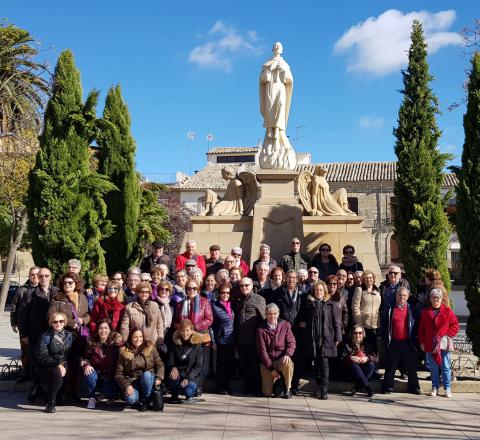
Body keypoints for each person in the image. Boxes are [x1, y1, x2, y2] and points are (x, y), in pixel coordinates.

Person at [295, 281, 342, 399]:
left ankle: (324, 389)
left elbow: (337, 322)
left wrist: (338, 337)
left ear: (324, 291)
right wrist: (303, 326)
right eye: (317, 290)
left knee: (324, 364)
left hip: (326, 338)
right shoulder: (309, 304)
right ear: (314, 292)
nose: (319, 292)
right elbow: (303, 319)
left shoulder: (331, 304)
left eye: (321, 290)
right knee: (316, 364)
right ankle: (317, 387)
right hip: (313, 339)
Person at [18, 267, 58, 402]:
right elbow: (22, 315)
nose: (43, 278)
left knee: (52, 363)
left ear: (50, 277)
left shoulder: (57, 292)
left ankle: (50, 390)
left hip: (53, 335)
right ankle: (36, 388)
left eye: (46, 276)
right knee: (36, 363)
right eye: (41, 276)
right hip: (36, 335)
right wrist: (24, 334)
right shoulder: (30, 293)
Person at [173, 279, 213, 395]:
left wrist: (194, 327)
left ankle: (199, 386)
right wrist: (182, 327)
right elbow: (175, 321)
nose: (191, 290)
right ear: (185, 290)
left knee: (200, 363)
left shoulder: (204, 302)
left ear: (198, 289)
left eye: (194, 288)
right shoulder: (180, 304)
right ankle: (186, 384)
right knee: (189, 363)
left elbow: (209, 319)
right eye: (189, 288)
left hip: (198, 336)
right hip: (184, 338)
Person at [419, 288, 459, 398]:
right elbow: (421, 329)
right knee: (433, 367)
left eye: (438, 297)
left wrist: (447, 335)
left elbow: (455, 325)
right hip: (430, 344)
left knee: (446, 367)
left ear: (441, 299)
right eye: (433, 297)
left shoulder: (447, 311)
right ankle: (434, 387)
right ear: (430, 299)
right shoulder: (425, 313)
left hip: (444, 344)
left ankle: (447, 388)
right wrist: (422, 342)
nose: (435, 299)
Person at [381, 287, 420, 394]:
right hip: (394, 342)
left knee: (411, 367)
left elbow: (418, 325)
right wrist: (385, 338)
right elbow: (384, 325)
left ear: (407, 297)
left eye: (404, 295)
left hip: (408, 342)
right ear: (396, 295)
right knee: (390, 366)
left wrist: (417, 339)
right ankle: (387, 387)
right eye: (400, 295)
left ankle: (414, 387)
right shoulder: (390, 308)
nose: (402, 297)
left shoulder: (413, 309)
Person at [115, 327, 164, 411]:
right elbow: (118, 374)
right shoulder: (124, 352)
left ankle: (146, 399)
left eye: (140, 336)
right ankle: (140, 399)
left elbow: (160, 364)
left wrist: (159, 378)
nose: (138, 339)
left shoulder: (150, 348)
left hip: (148, 380)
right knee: (130, 399)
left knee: (146, 375)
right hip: (132, 381)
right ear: (130, 338)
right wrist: (126, 386)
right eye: (135, 337)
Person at [232, 277, 266, 395]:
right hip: (241, 339)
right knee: (244, 365)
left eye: (246, 285)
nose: (244, 288)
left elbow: (263, 319)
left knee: (255, 366)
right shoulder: (239, 300)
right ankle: (248, 387)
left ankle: (257, 389)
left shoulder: (258, 299)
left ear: (252, 285)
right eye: (241, 286)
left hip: (254, 340)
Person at [35, 312, 73, 413]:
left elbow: (73, 353)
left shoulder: (69, 335)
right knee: (56, 372)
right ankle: (51, 402)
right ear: (51, 323)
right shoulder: (46, 336)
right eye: (55, 322)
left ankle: (42, 391)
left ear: (64, 322)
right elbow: (41, 356)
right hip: (47, 366)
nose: (58, 324)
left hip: (65, 365)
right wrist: (57, 364)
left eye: (61, 321)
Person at [257, 303, 296, 398]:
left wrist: (287, 354)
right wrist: (271, 369)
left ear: (278, 314)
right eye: (269, 314)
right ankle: (277, 383)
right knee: (267, 393)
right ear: (266, 315)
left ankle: (287, 389)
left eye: (275, 313)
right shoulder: (261, 329)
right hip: (267, 362)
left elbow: (291, 342)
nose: (272, 316)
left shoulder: (285, 325)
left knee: (288, 363)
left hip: (281, 359)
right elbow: (262, 351)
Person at [81, 318, 122, 408]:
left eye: (106, 328)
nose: (103, 331)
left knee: (109, 392)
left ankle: (108, 395)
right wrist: (86, 365)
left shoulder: (116, 344)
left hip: (110, 376)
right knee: (89, 373)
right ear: (97, 330)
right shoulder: (91, 343)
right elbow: (85, 358)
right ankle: (92, 398)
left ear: (110, 329)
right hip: (97, 373)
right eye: (101, 328)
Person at [167, 319, 209, 402]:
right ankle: (175, 393)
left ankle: (190, 390)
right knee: (173, 377)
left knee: (188, 392)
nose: (185, 333)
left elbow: (198, 366)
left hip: (191, 375)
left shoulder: (197, 345)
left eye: (187, 330)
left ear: (191, 331)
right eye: (183, 330)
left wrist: (188, 378)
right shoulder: (175, 343)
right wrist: (173, 368)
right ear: (179, 331)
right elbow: (170, 361)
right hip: (178, 374)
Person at [10, 266, 40, 381]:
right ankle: (26, 373)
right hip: (25, 326)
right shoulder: (21, 290)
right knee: (25, 351)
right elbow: (14, 306)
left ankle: (38, 374)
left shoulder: (45, 288)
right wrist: (14, 323)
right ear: (29, 276)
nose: (35, 276)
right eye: (32, 274)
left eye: (37, 274)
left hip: (39, 326)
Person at [211, 283, 235, 395]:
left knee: (230, 364)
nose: (225, 295)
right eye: (223, 293)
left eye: (227, 293)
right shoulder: (214, 305)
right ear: (219, 294)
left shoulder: (233, 304)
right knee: (221, 364)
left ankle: (228, 385)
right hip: (221, 339)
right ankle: (220, 386)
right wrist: (213, 341)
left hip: (233, 338)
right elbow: (211, 325)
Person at [342, 325, 377, 397]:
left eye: (360, 333)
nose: (358, 335)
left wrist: (367, 358)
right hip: (351, 373)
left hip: (364, 372)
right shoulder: (346, 344)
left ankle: (357, 387)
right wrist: (350, 357)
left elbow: (376, 358)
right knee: (353, 363)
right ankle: (367, 387)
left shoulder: (367, 344)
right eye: (355, 333)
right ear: (352, 334)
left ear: (363, 334)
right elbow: (341, 359)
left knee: (371, 365)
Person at [352, 270, 381, 356]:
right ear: (363, 279)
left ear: (373, 279)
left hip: (376, 325)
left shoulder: (378, 291)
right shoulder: (359, 290)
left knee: (375, 348)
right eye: (366, 278)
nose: (369, 280)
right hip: (364, 324)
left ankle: (374, 367)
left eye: (371, 278)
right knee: (365, 348)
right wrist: (359, 324)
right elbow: (355, 306)